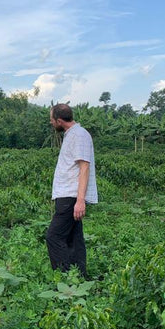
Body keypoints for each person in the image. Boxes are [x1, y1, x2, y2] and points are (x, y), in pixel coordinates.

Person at [45, 104, 98, 278]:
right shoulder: (72, 135)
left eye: (52, 120)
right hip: (69, 195)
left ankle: (66, 277)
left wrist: (80, 200)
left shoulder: (79, 135)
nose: (52, 123)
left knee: (54, 237)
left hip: (71, 196)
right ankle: (81, 276)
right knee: (74, 238)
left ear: (60, 120)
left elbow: (84, 168)